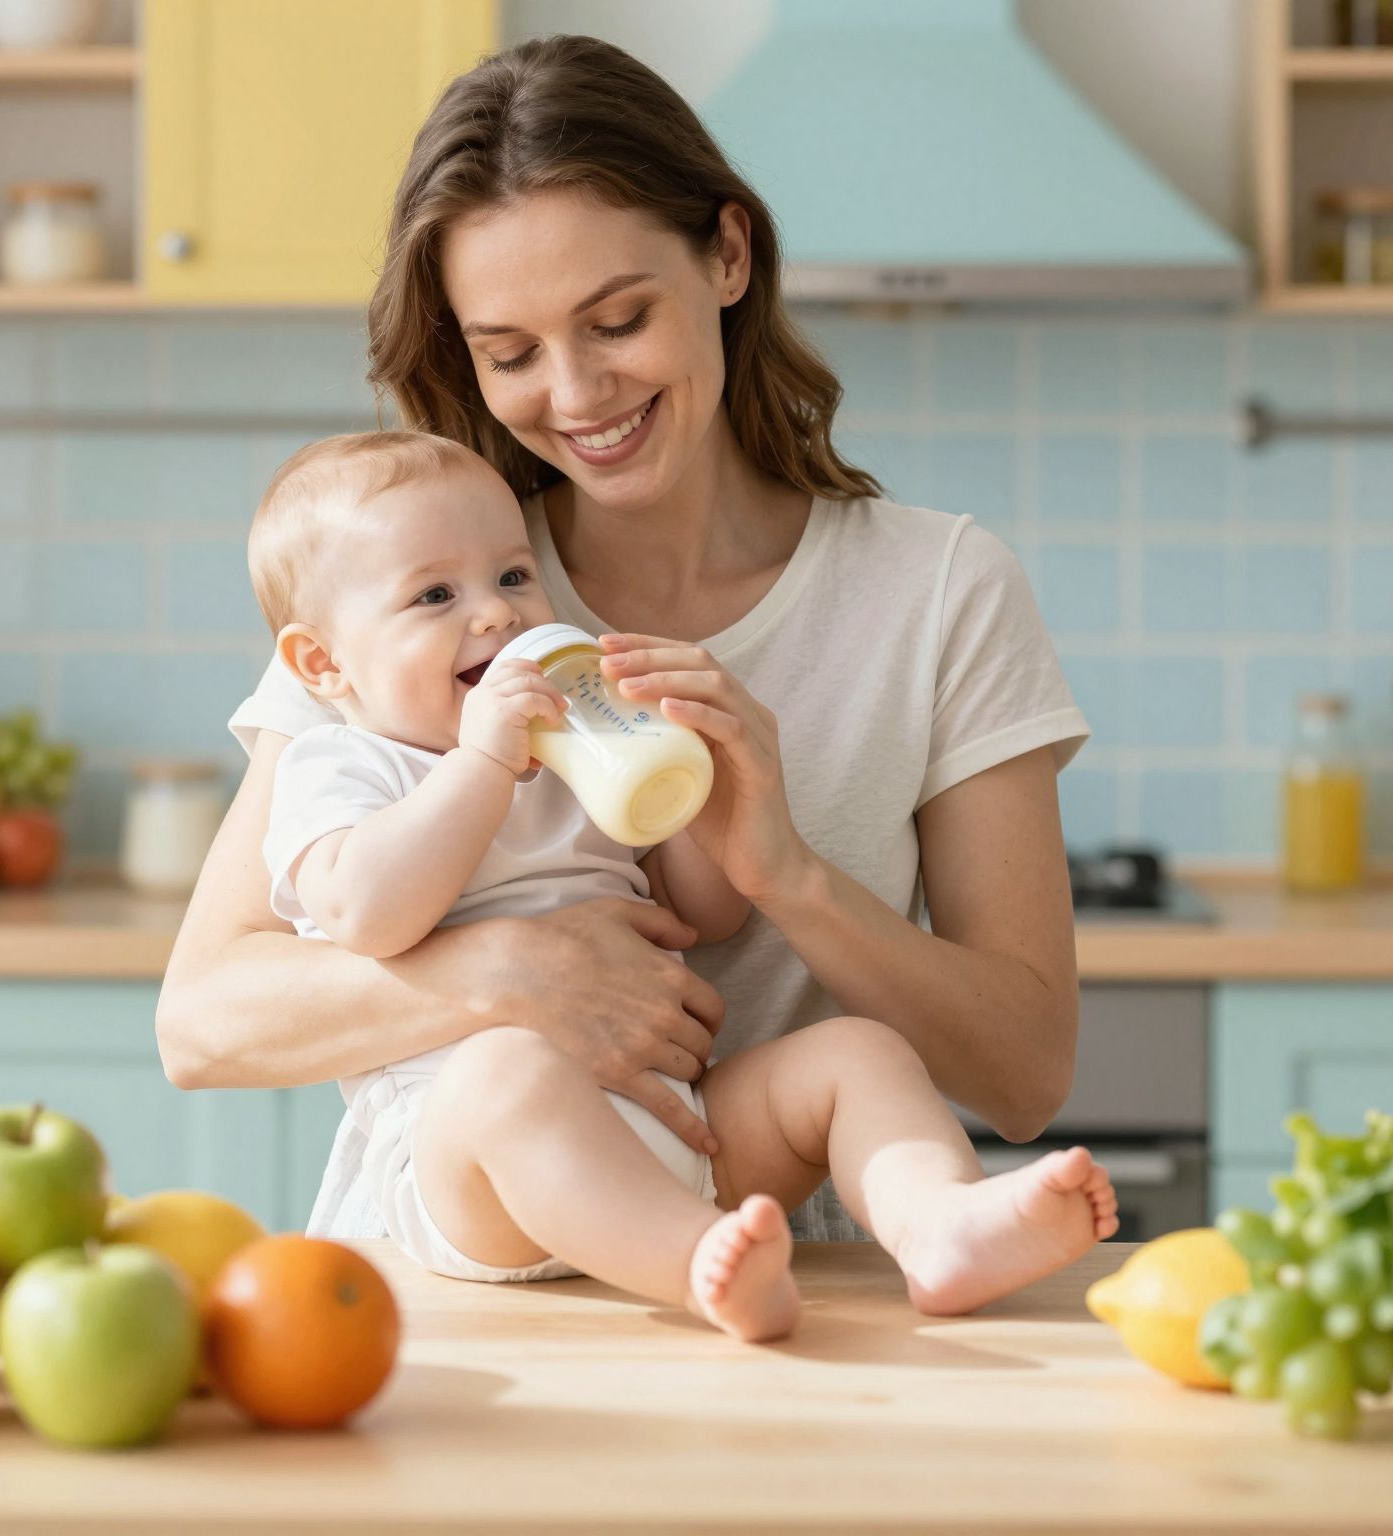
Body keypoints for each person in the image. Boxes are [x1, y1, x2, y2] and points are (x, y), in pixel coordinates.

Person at [156, 35, 1092, 1249]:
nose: (577, 392)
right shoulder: (420, 599)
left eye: (616, 320)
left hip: (783, 1291)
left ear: (726, 254)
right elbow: (205, 1024)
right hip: (458, 1312)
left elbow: (1026, 1073)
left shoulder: (937, 592)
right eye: (508, 353)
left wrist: (784, 876)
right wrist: (508, 973)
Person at [248, 429, 1117, 1339]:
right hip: (472, 1171)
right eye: (435, 595)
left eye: (512, 577)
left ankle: (936, 1222)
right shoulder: (341, 766)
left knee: (854, 1052)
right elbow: (367, 914)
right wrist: (479, 766)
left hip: (681, 1131)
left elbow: (701, 914)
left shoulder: (572, 753)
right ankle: (699, 1266)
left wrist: (701, 794)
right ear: (322, 664)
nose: (497, 616)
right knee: (508, 1070)